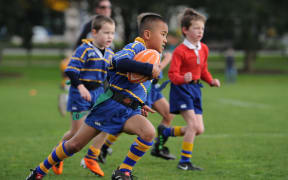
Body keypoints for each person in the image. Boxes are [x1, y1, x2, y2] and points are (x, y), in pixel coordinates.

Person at [26, 13, 167, 180]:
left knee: (148, 133)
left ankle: (123, 172)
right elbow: (118, 62)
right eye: (163, 34)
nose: (165, 40)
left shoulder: (152, 58)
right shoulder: (136, 47)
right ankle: (39, 171)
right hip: (110, 106)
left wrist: (139, 104)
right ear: (148, 34)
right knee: (75, 144)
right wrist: (148, 69)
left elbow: (135, 87)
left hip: (129, 111)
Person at [49, 15, 115, 177]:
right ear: (94, 32)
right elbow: (70, 70)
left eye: (112, 33)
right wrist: (80, 87)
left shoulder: (110, 53)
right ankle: (57, 155)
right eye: (106, 33)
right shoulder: (84, 49)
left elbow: (111, 76)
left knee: (107, 123)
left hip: (98, 94)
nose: (109, 37)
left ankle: (91, 157)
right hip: (79, 94)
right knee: (76, 133)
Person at [167, 8, 221, 171]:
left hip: (196, 89)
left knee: (199, 129)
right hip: (181, 90)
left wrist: (211, 81)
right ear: (185, 30)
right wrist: (183, 78)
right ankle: (184, 162)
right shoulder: (180, 51)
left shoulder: (204, 48)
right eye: (196, 28)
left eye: (202, 28)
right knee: (192, 125)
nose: (200, 31)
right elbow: (172, 75)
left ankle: (165, 133)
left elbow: (203, 70)